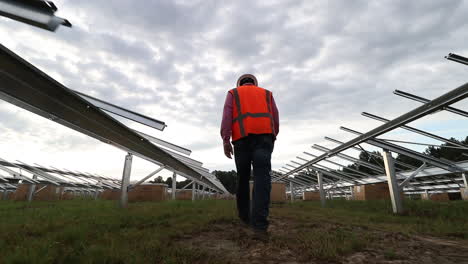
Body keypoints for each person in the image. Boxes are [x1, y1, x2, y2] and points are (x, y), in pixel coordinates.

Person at [220, 74, 279, 239]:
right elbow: (275, 116)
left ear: (239, 83)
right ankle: (260, 226)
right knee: (262, 178)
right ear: (255, 83)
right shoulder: (267, 93)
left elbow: (227, 116)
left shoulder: (233, 93)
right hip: (264, 138)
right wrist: (273, 136)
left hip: (241, 140)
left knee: (243, 178)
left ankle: (245, 218)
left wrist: (226, 140)